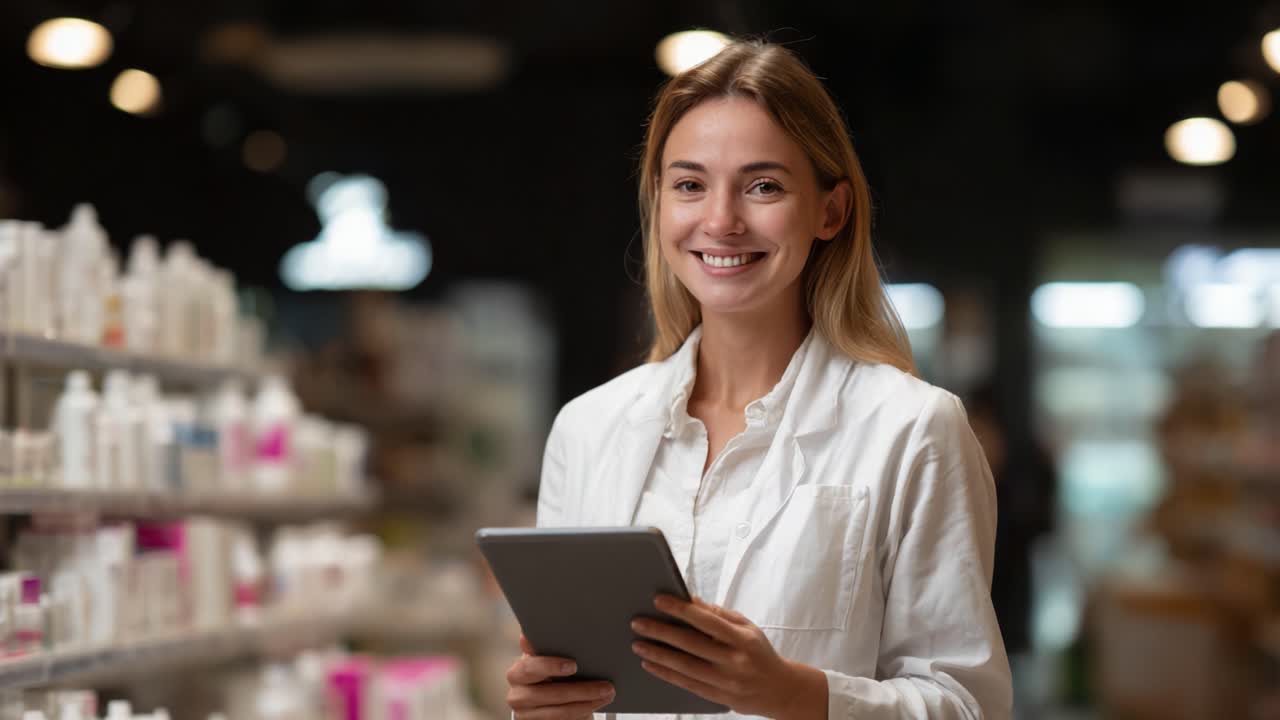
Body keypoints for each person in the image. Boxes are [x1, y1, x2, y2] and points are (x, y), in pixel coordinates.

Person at [505, 40, 1011, 720]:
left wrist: (794, 695)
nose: (720, 220)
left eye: (763, 186)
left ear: (831, 212)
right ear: (659, 207)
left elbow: (966, 706)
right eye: (689, 185)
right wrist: (547, 706)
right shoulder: (588, 428)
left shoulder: (913, 429)